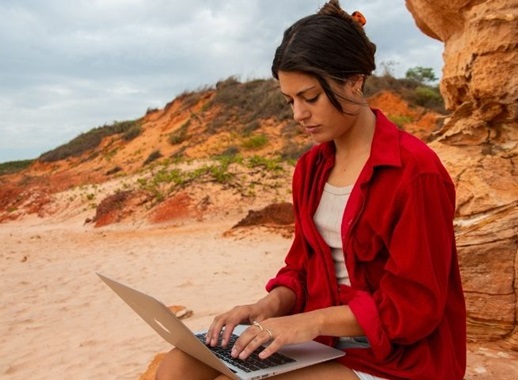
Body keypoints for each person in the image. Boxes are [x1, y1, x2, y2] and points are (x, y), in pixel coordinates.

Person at [156, 1, 466, 379]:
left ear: (354, 81)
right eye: (290, 101)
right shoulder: (310, 169)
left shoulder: (415, 172)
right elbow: (301, 268)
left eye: (310, 97)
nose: (298, 114)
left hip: (395, 359)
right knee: (179, 363)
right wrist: (267, 306)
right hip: (322, 345)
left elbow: (414, 308)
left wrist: (305, 324)